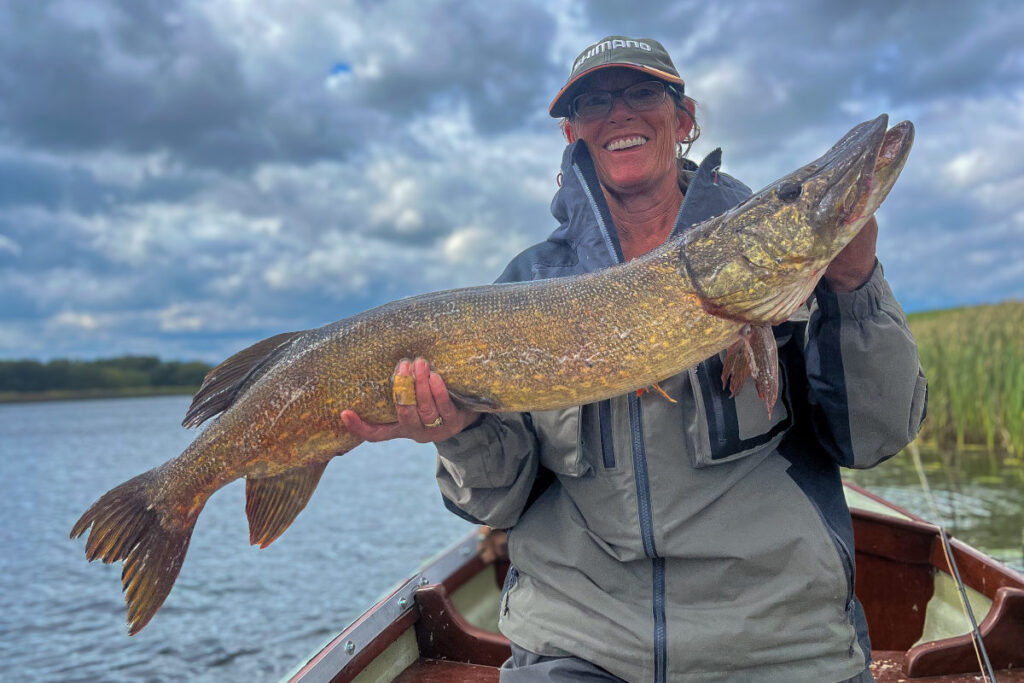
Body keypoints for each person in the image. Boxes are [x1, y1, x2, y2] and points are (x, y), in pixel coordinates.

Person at [342, 36, 927, 683]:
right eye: (594, 102)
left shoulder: (771, 263)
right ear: (574, 133)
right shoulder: (528, 282)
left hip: (778, 644)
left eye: (642, 92)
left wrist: (853, 286)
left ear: (684, 119)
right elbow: (500, 500)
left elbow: (876, 435)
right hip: (579, 645)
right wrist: (460, 434)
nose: (618, 113)